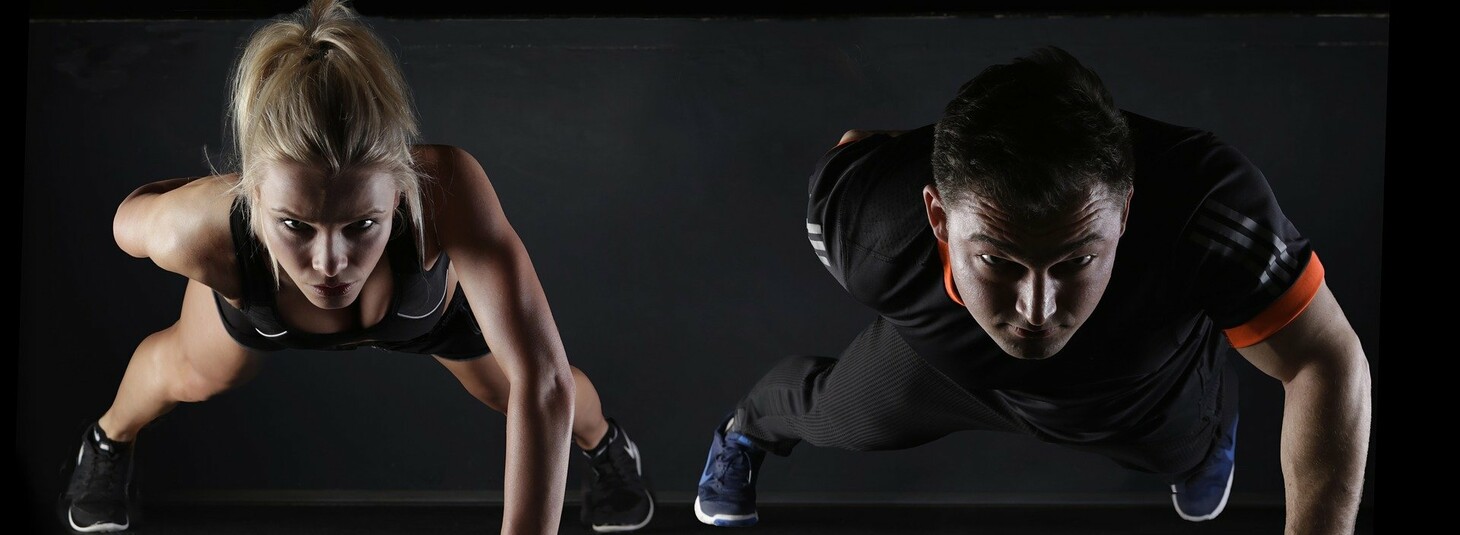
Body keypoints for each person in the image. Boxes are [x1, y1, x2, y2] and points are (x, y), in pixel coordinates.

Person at [694, 46, 1371, 533]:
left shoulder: (1208, 207)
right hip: (939, 366)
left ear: (1127, 211)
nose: (1037, 310)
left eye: (1075, 259)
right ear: (937, 216)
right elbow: (858, 150)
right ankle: (742, 433)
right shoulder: (871, 221)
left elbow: (1323, 358)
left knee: (1186, 448)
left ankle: (1207, 432)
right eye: (999, 260)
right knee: (829, 412)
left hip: (1136, 390)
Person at [58, 1, 654, 533]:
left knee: (518, 391)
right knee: (190, 374)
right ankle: (107, 441)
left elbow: (542, 380)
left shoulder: (446, 188)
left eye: (361, 226)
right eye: (297, 225)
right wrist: (214, 202)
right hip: (262, 301)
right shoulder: (198, 227)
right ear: (253, 194)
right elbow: (125, 221)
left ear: (399, 191)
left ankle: (605, 448)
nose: (330, 263)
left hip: (426, 318)